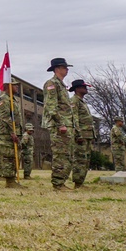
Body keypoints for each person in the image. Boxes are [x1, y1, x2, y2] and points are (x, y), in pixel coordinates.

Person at [41, 58, 75, 191]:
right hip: (59, 125)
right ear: (58, 69)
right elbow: (51, 106)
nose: (67, 70)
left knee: (66, 154)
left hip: (66, 124)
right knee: (60, 154)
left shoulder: (61, 84)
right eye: (65, 67)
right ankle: (58, 183)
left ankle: (61, 181)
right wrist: (60, 124)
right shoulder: (52, 83)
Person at [0, 83, 23, 188]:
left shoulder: (14, 99)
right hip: (6, 133)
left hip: (14, 131)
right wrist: (12, 131)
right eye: (15, 85)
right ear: (8, 87)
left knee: (15, 156)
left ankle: (13, 179)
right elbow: (5, 117)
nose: (17, 87)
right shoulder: (4, 99)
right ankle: (9, 181)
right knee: (8, 156)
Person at [68, 79, 95, 189]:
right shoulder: (74, 101)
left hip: (87, 135)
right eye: (84, 87)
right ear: (77, 89)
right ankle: (77, 183)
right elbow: (74, 119)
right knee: (80, 159)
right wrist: (78, 134)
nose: (86, 89)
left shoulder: (81, 101)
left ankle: (81, 182)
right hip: (81, 136)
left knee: (85, 160)